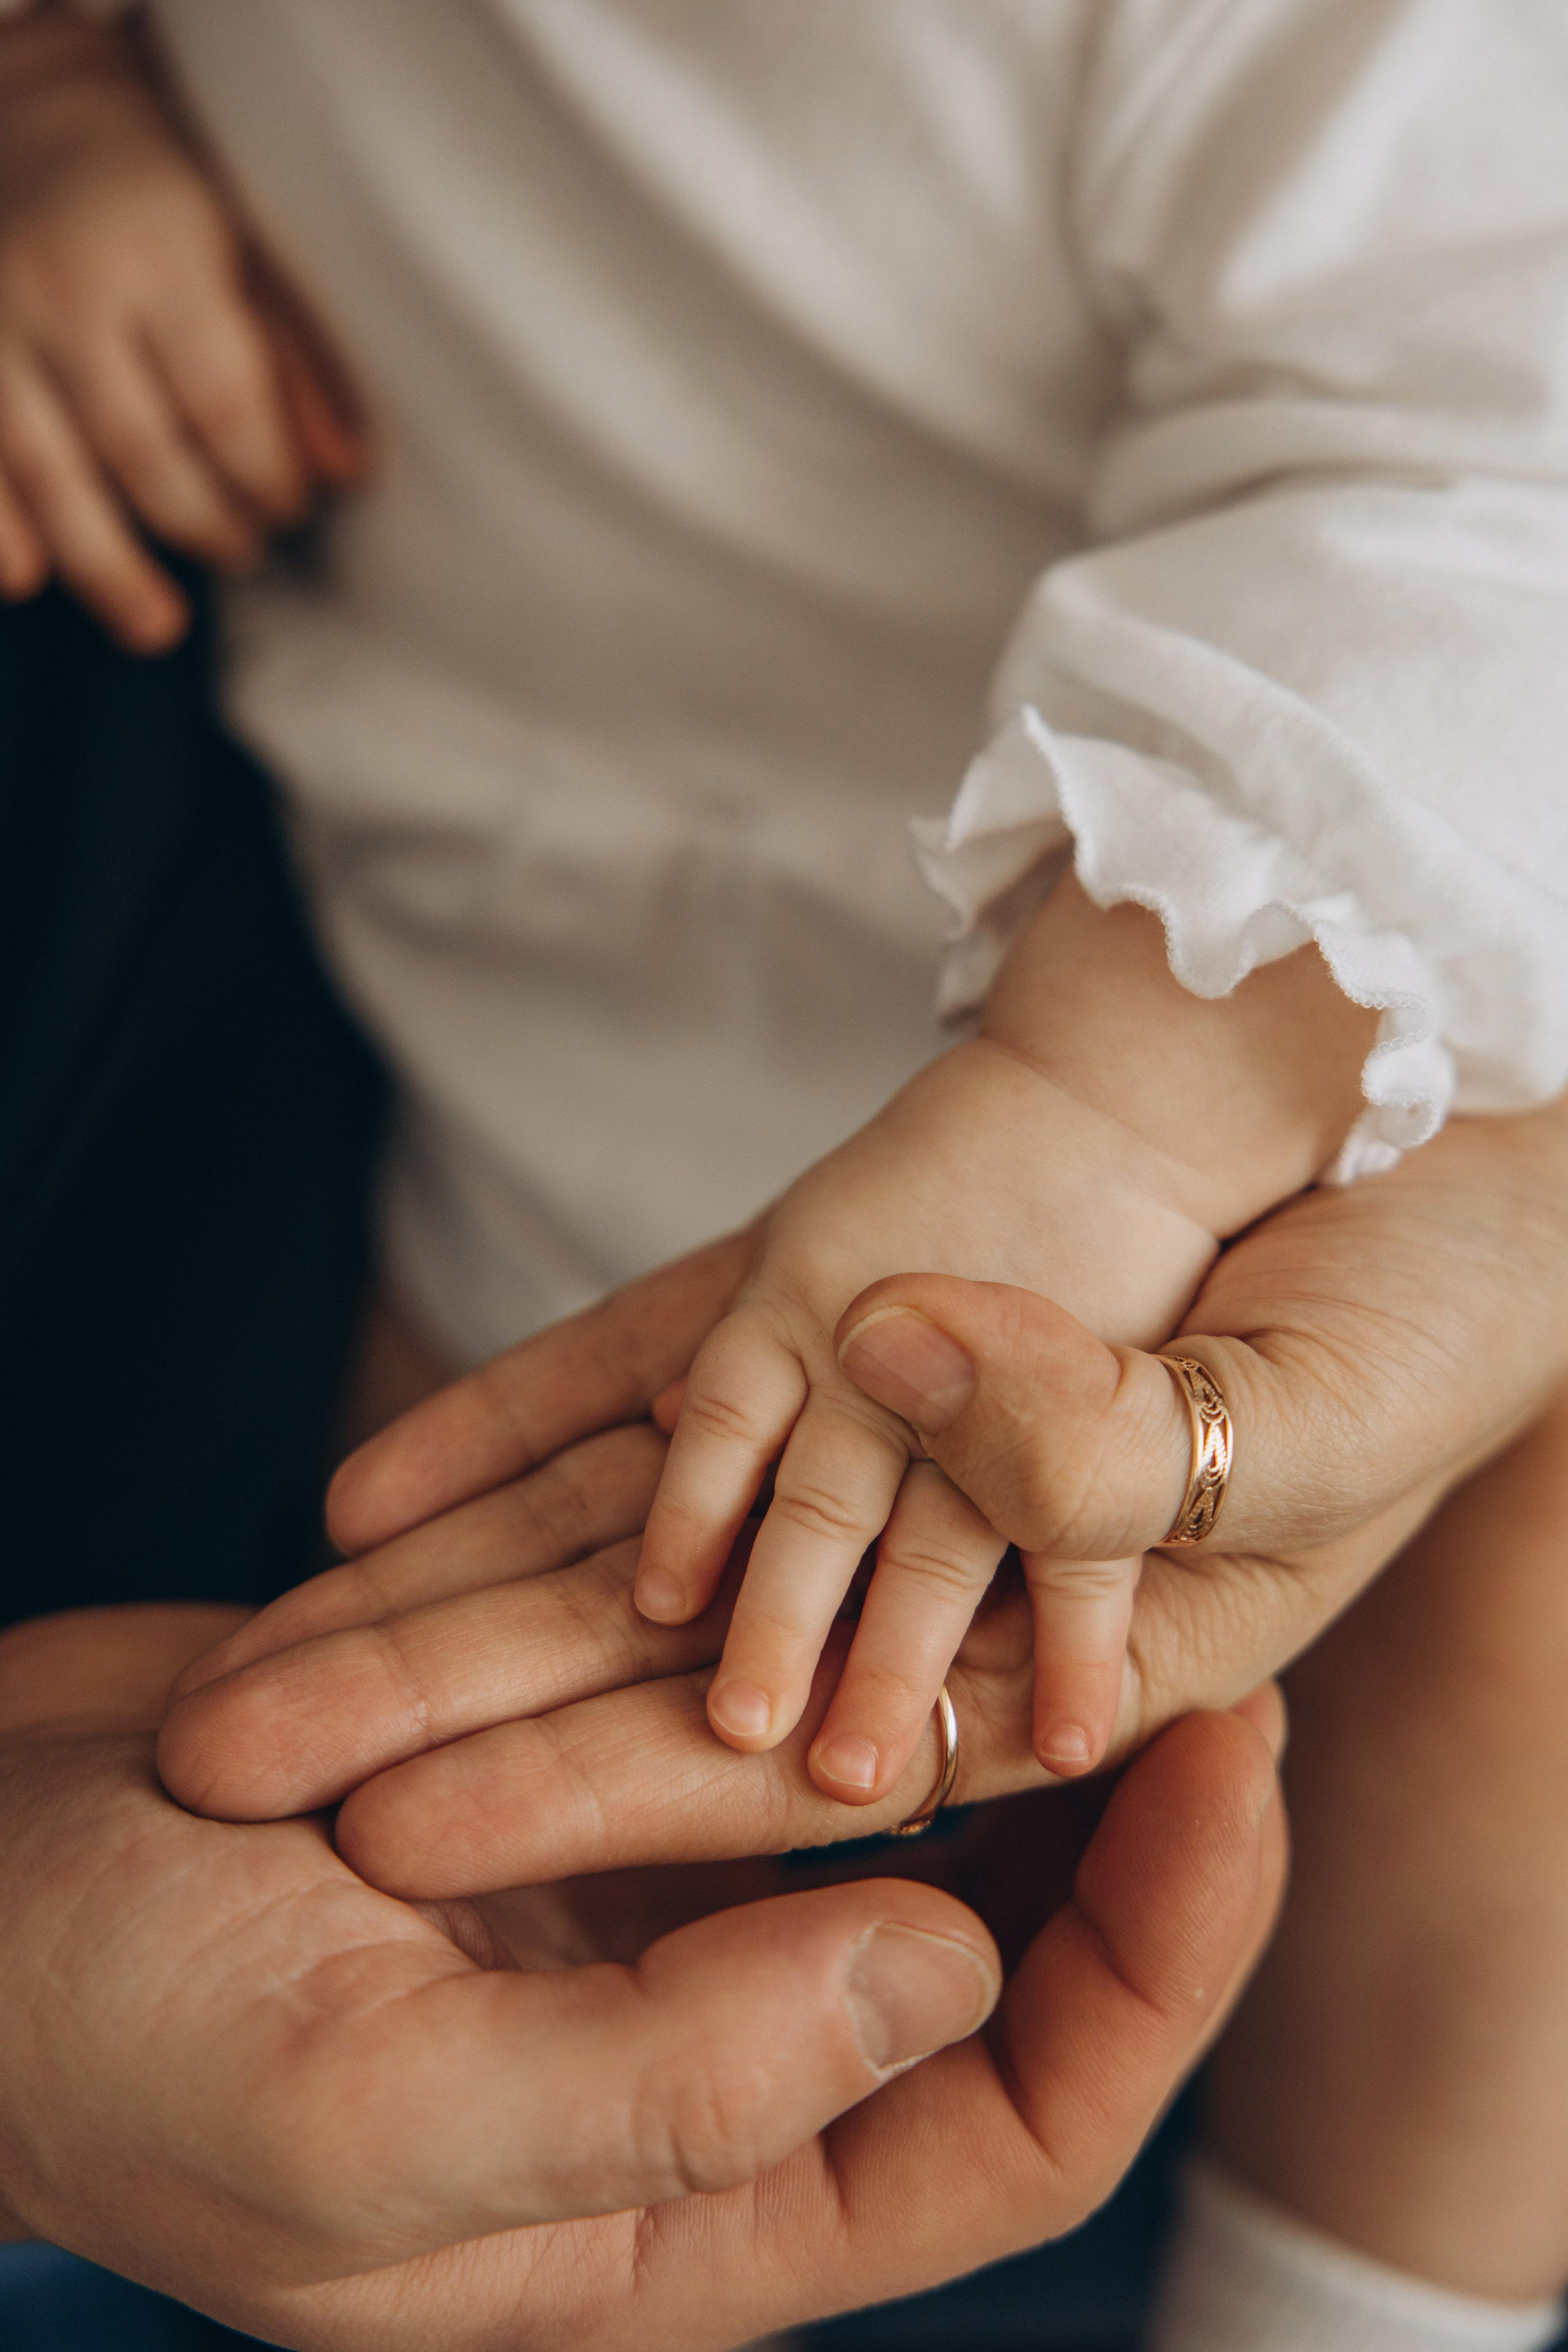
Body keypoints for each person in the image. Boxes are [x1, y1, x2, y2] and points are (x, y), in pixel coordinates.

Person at [6, 4, 1568, 2347]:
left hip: (1271, 1062)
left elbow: (1487, 451)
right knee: (422, 1786)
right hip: (518, 1078)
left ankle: (1359, 2304)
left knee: (1507, 1588)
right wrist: (53, 111)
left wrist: (1124, 1098)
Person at [164, 1090, 1568, 2352]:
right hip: (558, 1219)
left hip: (1194, 1198)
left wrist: (1089, 1117)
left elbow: (1371, 835)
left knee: (1516, 1594)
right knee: (445, 1847)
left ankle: (1352, 2315)